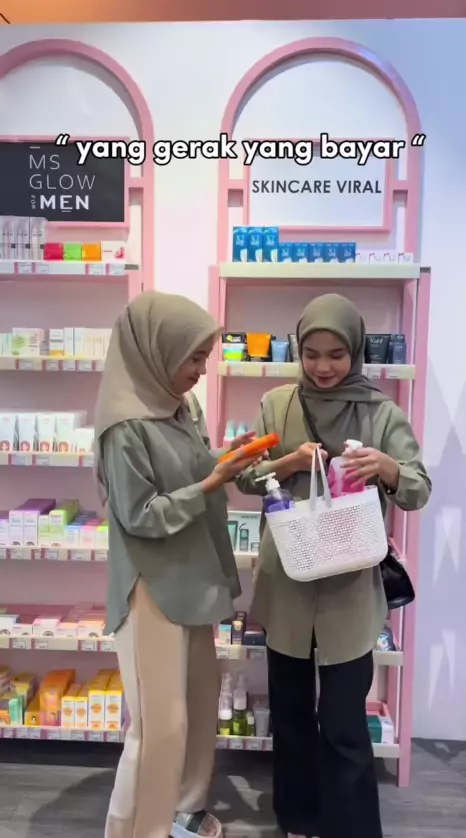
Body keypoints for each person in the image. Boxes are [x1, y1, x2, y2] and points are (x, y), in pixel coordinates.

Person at [236, 293, 432, 838]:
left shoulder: (381, 412)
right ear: (297, 350)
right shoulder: (277, 405)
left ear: (357, 350)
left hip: (349, 590)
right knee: (292, 717)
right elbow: (244, 476)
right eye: (312, 353)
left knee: (345, 723)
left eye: (337, 354)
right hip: (288, 583)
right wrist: (288, 461)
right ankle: (298, 819)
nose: (323, 367)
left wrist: (387, 467)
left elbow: (418, 490)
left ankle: (351, 827)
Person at [94, 291, 259, 838]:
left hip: (191, 575)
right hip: (151, 585)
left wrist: (227, 459)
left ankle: (183, 811)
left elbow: (191, 466)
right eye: (193, 357)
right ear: (157, 349)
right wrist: (210, 483)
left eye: (204, 357)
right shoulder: (123, 427)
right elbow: (140, 515)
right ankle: (135, 829)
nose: (200, 370)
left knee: (198, 704)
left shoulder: (179, 405)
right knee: (158, 726)